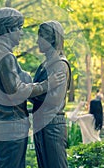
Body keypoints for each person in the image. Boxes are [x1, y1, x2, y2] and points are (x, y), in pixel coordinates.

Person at [0, 8, 64, 168]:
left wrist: (24, 77)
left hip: (2, 123)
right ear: (8, 29)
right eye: (19, 28)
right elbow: (16, 92)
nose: (21, 33)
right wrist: (47, 84)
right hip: (12, 125)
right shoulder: (5, 56)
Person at [29, 21, 70, 168]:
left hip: (52, 124)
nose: (37, 40)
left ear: (52, 39)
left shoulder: (60, 64)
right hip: (41, 122)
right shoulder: (44, 65)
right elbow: (39, 96)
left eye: (41, 36)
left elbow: (53, 100)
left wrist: (30, 92)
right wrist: (34, 91)